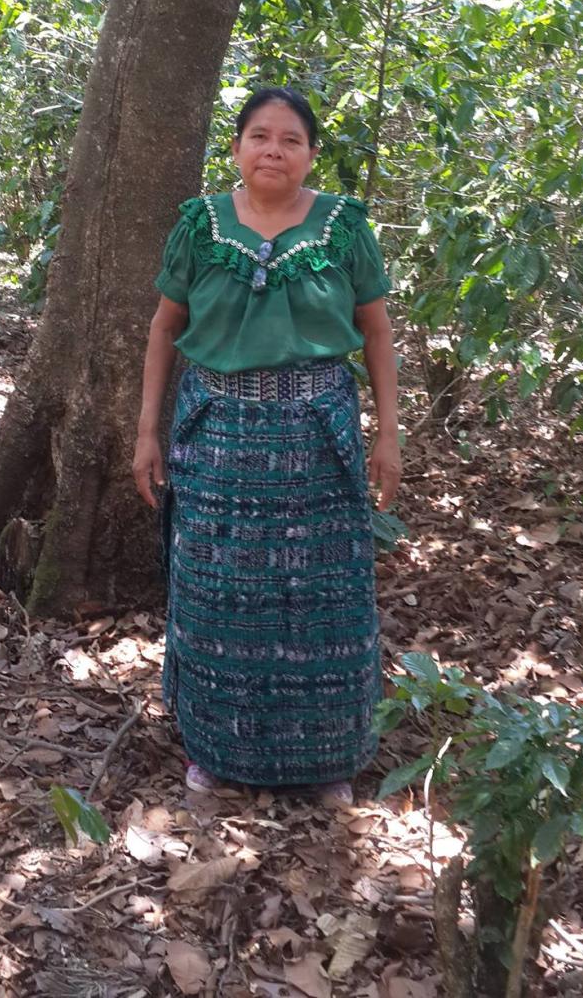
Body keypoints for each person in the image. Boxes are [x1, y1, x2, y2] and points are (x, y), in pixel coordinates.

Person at [133, 87, 400, 806]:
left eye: (290, 139)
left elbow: (375, 331)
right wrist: (146, 430)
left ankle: (325, 761)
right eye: (258, 136)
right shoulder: (200, 225)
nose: (273, 149)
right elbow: (164, 328)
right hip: (216, 432)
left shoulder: (344, 228)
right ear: (237, 148)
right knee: (220, 593)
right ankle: (218, 753)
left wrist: (389, 436)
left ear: (312, 153)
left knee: (322, 594)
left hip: (319, 434)